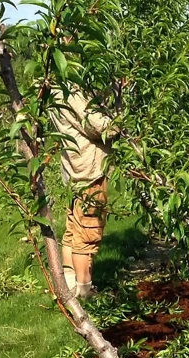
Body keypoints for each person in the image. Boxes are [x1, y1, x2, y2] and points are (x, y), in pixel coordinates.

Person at [50, 89, 118, 298]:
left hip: (74, 169)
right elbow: (97, 126)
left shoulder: (53, 90)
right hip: (89, 170)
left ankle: (70, 283)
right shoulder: (70, 92)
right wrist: (119, 121)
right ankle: (85, 290)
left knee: (74, 228)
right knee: (87, 231)